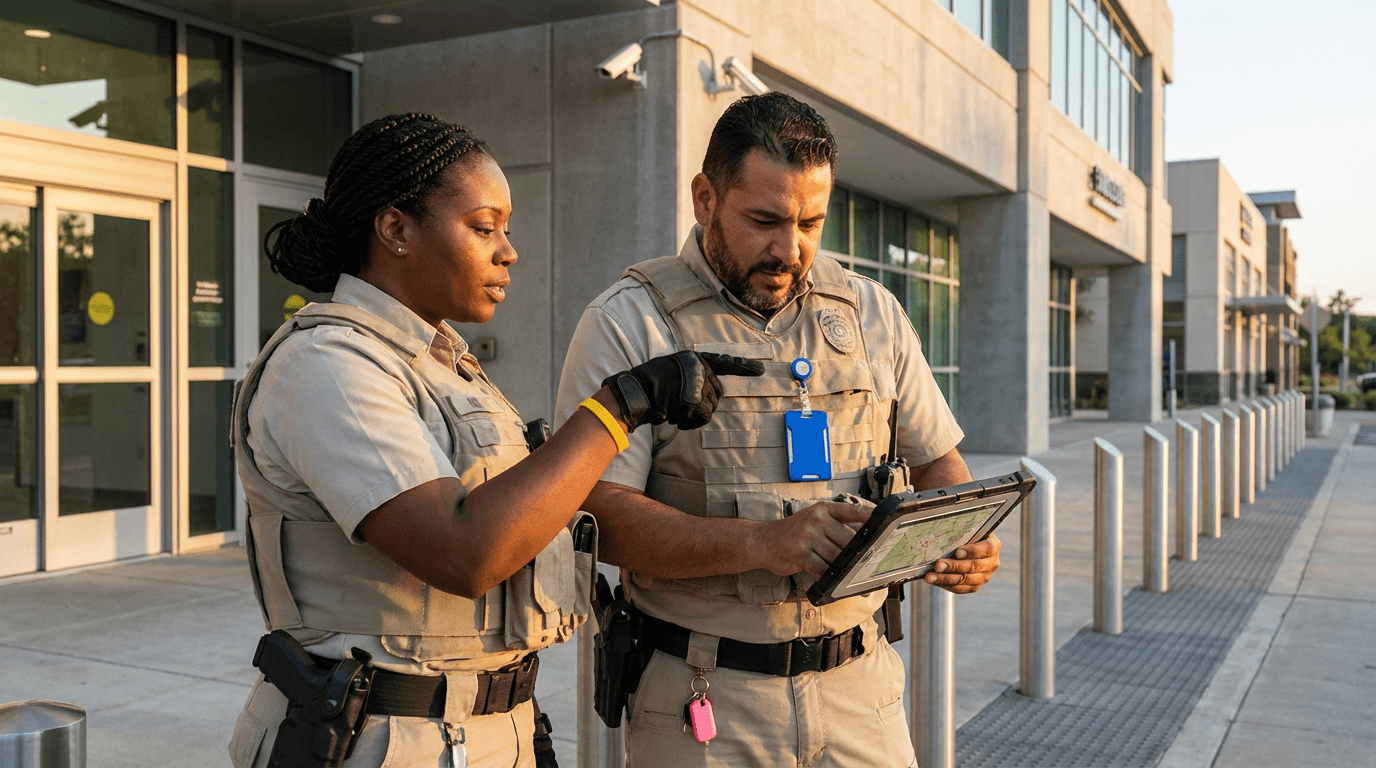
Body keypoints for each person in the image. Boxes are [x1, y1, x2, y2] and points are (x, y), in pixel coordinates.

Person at [227, 113, 761, 768]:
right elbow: (464, 552)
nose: (508, 251)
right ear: (396, 229)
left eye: (506, 230)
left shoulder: (444, 366)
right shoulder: (326, 365)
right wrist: (620, 406)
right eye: (484, 228)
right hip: (380, 739)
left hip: (482, 727)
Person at [554, 93, 1002, 767]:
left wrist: (961, 540)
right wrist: (764, 543)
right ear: (705, 199)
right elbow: (598, 517)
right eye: (764, 220)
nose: (789, 250)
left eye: (810, 223)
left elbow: (939, 464)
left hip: (861, 696)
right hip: (706, 702)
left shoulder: (872, 313)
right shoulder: (628, 323)